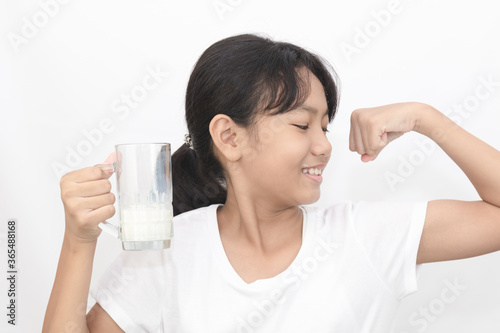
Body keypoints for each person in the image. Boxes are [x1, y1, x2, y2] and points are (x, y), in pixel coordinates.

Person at [43, 34, 500, 332]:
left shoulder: (365, 237)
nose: (324, 146)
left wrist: (426, 119)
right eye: (303, 126)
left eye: (326, 126)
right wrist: (79, 242)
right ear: (229, 136)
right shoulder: (168, 252)